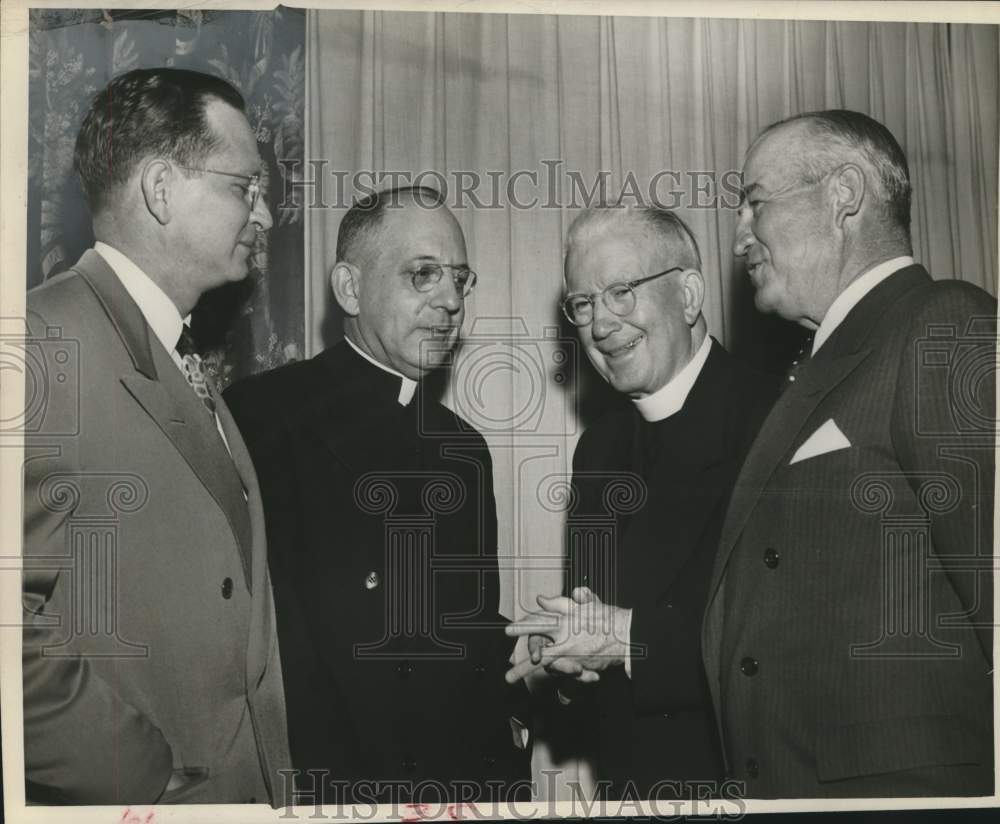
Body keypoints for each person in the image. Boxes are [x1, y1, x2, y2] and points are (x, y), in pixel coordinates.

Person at [701, 110, 996, 797]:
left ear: (845, 195)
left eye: (755, 202)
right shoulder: (817, 368)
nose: (741, 235)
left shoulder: (942, 324)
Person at [22, 68, 291, 805]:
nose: (264, 215)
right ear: (162, 188)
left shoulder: (176, 352)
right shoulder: (43, 345)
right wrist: (142, 775)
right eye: (245, 187)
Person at [223, 186, 531, 805]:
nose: (450, 301)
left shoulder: (463, 449)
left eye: (460, 280)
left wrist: (526, 653)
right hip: (323, 790)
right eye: (423, 275)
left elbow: (468, 634)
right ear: (350, 288)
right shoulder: (260, 418)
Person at [504, 206, 778, 799]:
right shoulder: (599, 449)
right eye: (583, 304)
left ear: (688, 294)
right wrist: (567, 665)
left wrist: (626, 638)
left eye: (622, 292)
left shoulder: (773, 420)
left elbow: (786, 640)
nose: (601, 324)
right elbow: (599, 635)